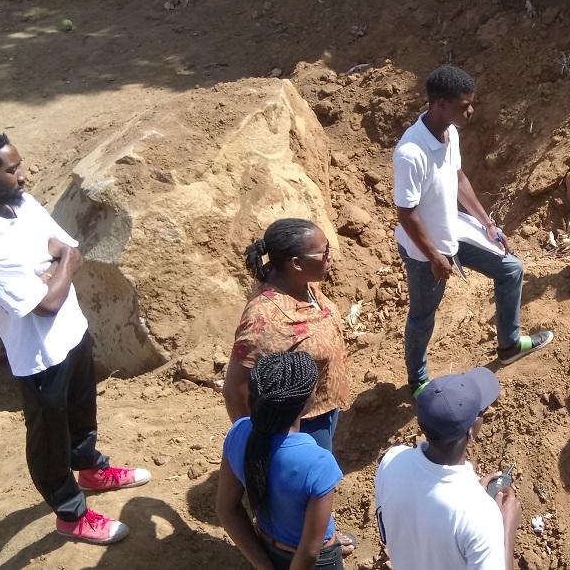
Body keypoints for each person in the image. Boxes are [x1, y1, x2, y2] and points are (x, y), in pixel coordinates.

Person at [0, 110, 150, 545]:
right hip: (38, 358)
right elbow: (47, 304)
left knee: (82, 413)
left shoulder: (21, 203)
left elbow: (69, 250)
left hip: (73, 334)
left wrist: (55, 267)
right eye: (13, 170)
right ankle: (70, 513)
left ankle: (91, 469)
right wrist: (60, 267)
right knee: (49, 442)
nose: (24, 175)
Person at [394, 65, 553, 397]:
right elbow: (406, 214)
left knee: (511, 269)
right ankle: (418, 381)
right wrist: (435, 257)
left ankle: (509, 343)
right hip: (426, 251)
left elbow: (459, 178)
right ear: (439, 104)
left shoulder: (450, 133)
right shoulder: (411, 153)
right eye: (463, 105)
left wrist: (487, 223)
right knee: (423, 316)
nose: (470, 111)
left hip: (453, 232)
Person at [374, 368, 523, 569]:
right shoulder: (480, 515)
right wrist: (505, 529)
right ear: (471, 431)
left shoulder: (392, 460)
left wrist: (469, 495)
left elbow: (403, 526)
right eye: (481, 411)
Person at [226, 219, 350, 455]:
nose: (330, 257)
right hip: (297, 427)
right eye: (324, 252)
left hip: (324, 408)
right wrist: (260, 443)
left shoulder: (304, 285)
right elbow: (234, 391)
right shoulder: (263, 318)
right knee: (307, 485)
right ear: (297, 263)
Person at [217, 351, 348, 569]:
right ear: (308, 401)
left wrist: (265, 566)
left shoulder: (238, 432)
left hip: (266, 550)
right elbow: (309, 553)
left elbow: (227, 510)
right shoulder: (318, 463)